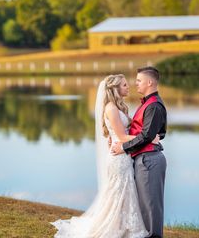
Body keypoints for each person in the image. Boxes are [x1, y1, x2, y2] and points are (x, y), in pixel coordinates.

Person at [50, 73, 160, 238]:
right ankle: (113, 227)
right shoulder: (111, 108)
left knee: (124, 191)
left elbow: (131, 130)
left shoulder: (120, 107)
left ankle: (125, 226)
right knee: (118, 192)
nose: (128, 86)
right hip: (118, 157)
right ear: (114, 89)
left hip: (123, 154)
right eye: (124, 85)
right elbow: (122, 137)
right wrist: (151, 138)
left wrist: (148, 132)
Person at [111, 66, 167, 238]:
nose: (136, 84)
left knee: (151, 204)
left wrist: (123, 147)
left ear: (149, 82)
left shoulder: (154, 105)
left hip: (149, 160)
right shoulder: (148, 104)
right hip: (144, 159)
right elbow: (158, 131)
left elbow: (146, 136)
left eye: (139, 81)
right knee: (144, 204)